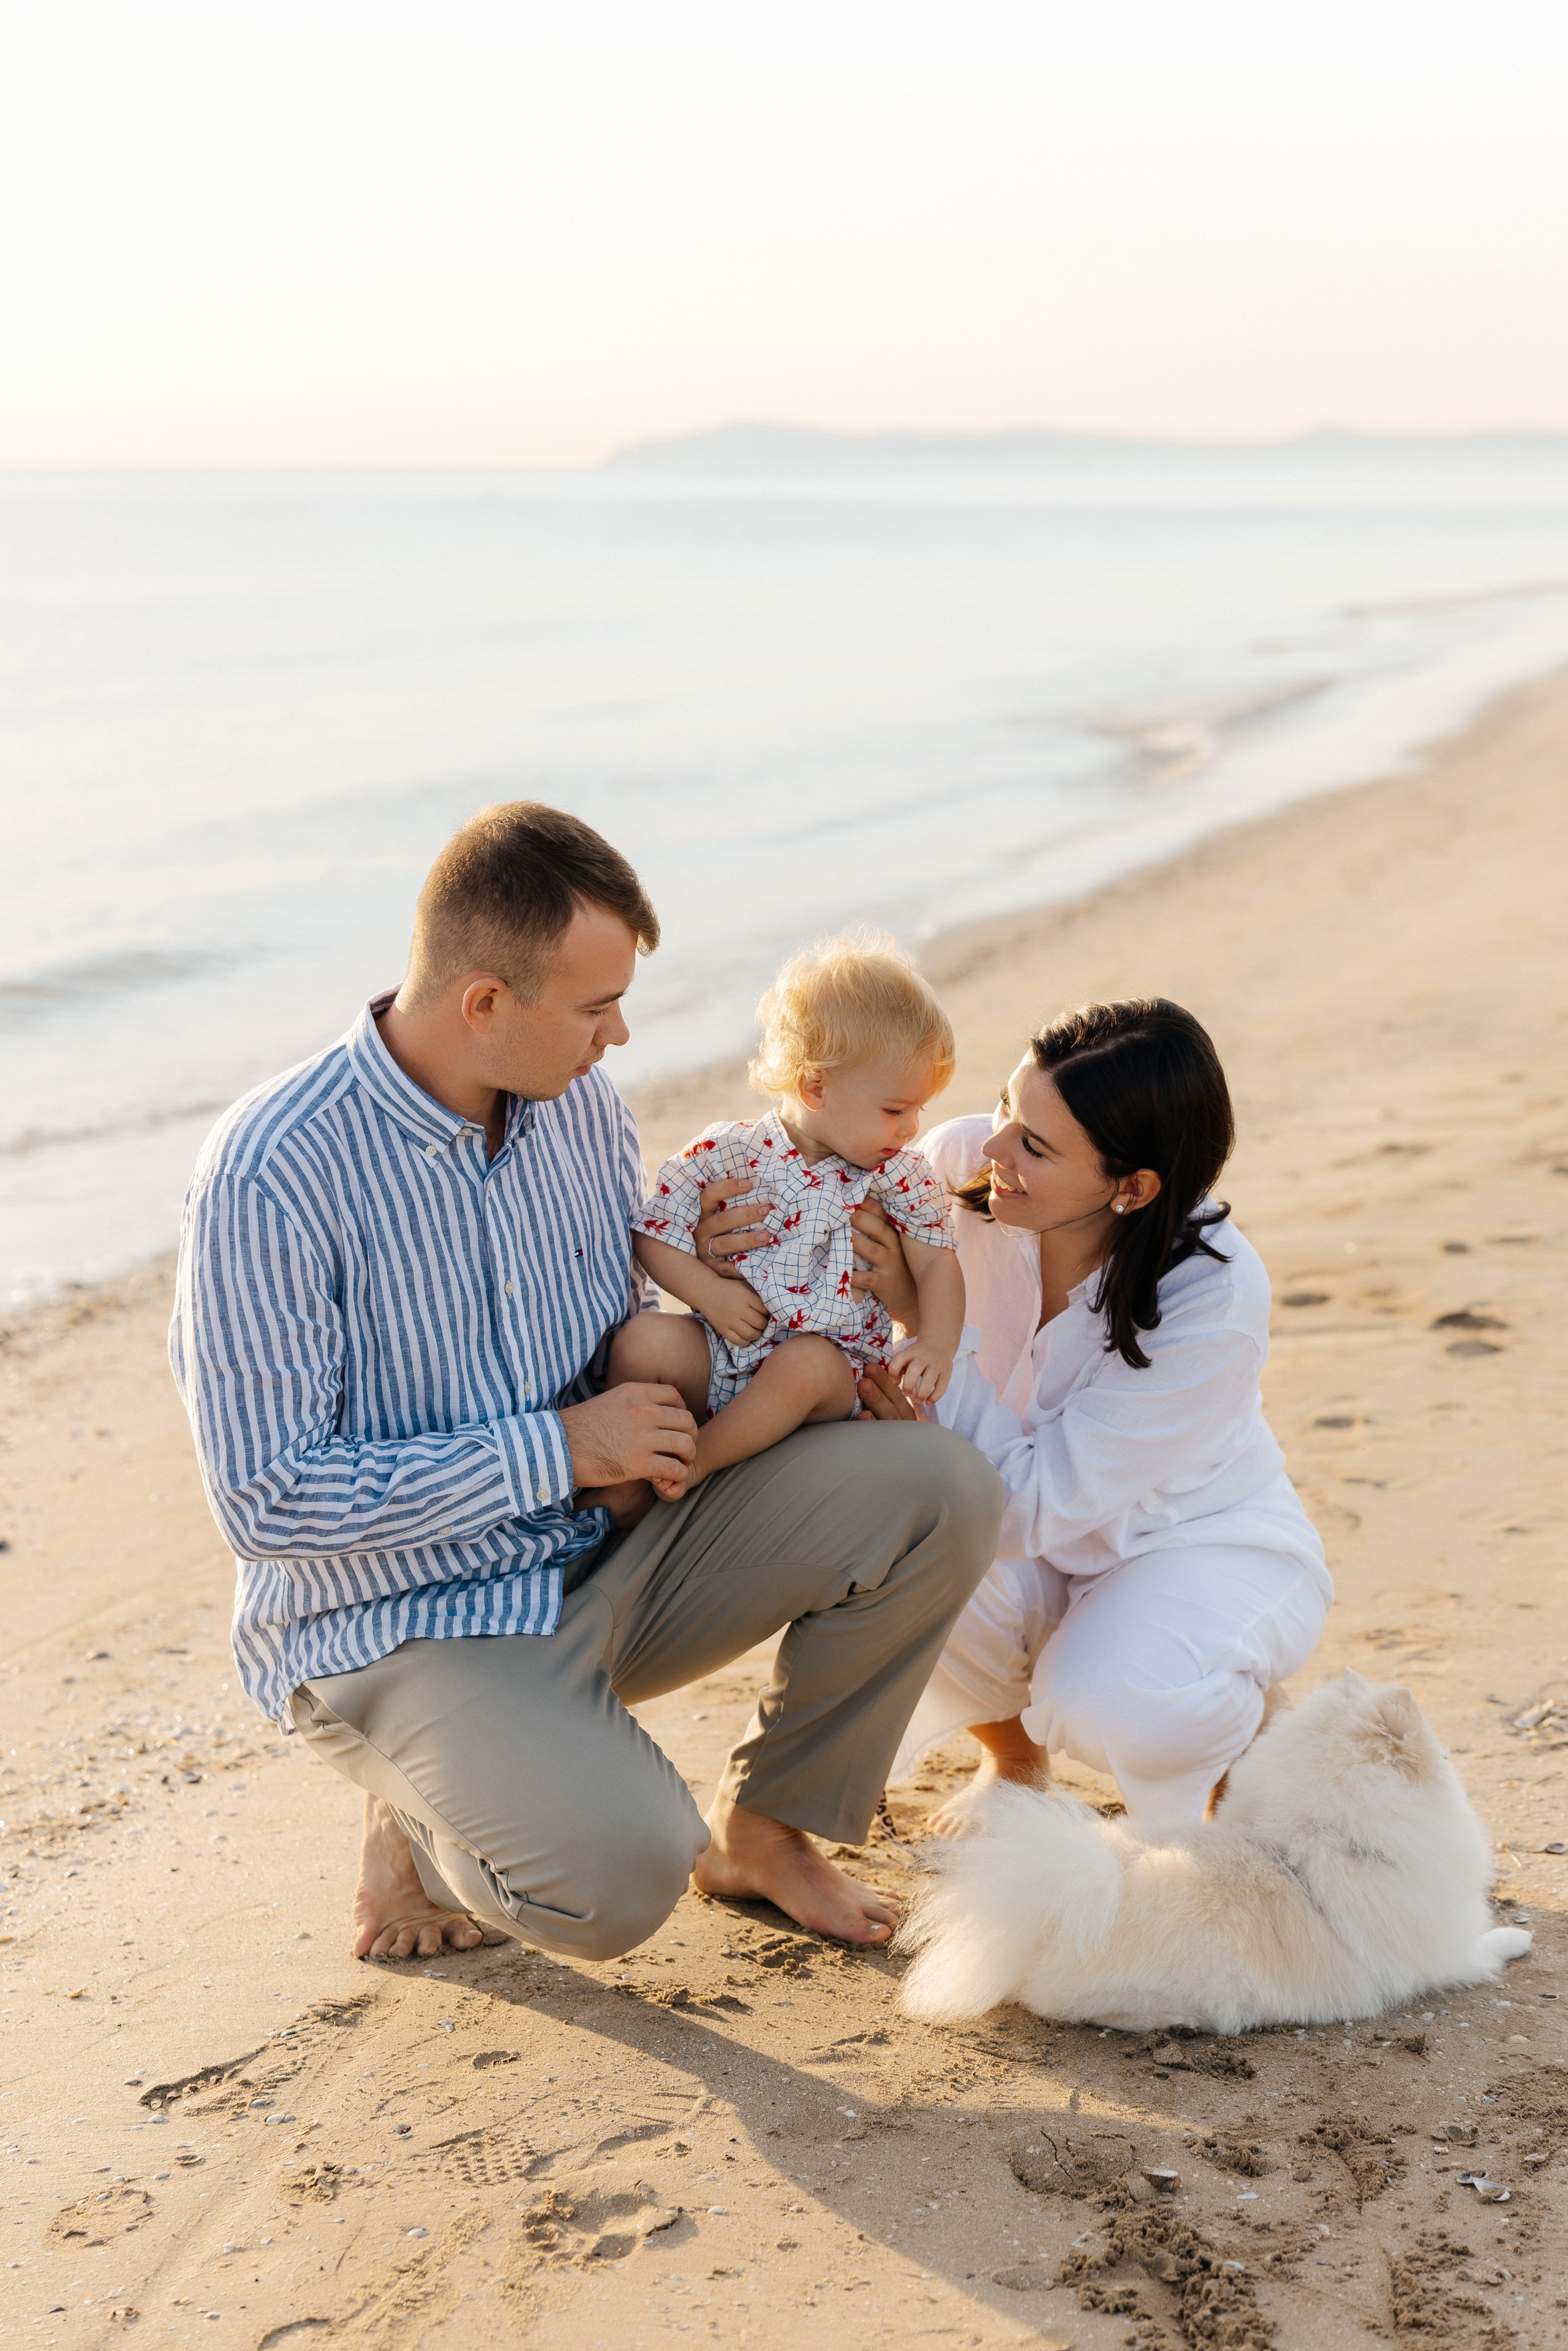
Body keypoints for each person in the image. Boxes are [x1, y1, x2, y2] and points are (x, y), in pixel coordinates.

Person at [168, 801, 1002, 1962]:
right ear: (485, 1004)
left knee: (940, 1487)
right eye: (598, 1005)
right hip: (403, 1621)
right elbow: (267, 1500)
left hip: (610, 1549)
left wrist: (758, 1280)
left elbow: (633, 1331)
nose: (620, 1034)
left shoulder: (581, 1111)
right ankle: (420, 1795)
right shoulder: (272, 1172)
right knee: (614, 1883)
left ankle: (765, 1830)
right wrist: (560, 1448)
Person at [704, 998, 1331, 1827]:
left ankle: (1241, 1723)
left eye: (1034, 1144)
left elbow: (1035, 1501)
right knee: (882, 1534)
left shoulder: (1212, 1295)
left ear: (1133, 1187)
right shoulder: (961, 1161)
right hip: (1019, 1523)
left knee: (1111, 1702)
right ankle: (1014, 1758)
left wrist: (931, 1326)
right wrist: (719, 1242)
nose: (991, 1145)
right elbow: (812, 1223)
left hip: (1190, 1541)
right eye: (1006, 1105)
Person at [611, 937, 966, 1497]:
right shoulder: (729, 1151)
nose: (909, 1129)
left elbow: (937, 1265)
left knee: (803, 1364)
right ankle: (627, 1485)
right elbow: (654, 1234)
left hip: (832, 1374)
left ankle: (698, 1462)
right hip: (725, 1348)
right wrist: (710, 1294)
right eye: (895, 1110)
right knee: (641, 1342)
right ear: (814, 1086)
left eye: (919, 1111)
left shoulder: (896, 1176)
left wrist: (937, 1343)